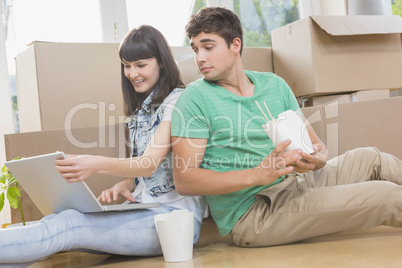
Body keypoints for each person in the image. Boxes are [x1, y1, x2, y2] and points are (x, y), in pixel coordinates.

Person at [171, 7, 402, 248]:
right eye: (195, 49)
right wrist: (256, 174)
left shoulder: (274, 85)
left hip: (296, 182)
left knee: (372, 158)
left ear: (235, 44)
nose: (200, 58)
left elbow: (316, 146)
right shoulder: (195, 99)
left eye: (208, 47)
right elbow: (185, 180)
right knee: (384, 196)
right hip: (255, 212)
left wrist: (318, 158)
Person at [0, 25, 206, 266]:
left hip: (175, 222)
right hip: (146, 210)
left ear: (161, 62)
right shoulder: (141, 111)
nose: (132, 73)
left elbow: (148, 165)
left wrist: (95, 164)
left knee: (69, 226)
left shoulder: (177, 101)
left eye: (140, 65)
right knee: (60, 219)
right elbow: (151, 172)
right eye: (126, 66)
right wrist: (127, 184)